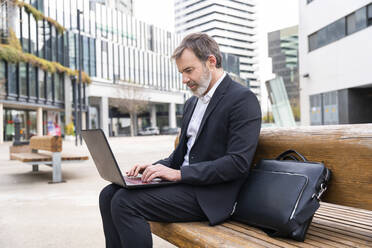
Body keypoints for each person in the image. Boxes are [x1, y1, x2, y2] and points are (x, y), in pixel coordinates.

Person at [99, 33, 262, 248]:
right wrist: (155, 167)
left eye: (188, 71)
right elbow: (181, 157)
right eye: (181, 73)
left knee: (125, 203)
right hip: (185, 185)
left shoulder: (242, 99)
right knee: (109, 194)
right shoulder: (192, 104)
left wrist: (179, 174)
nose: (184, 80)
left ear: (211, 62)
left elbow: (238, 164)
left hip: (211, 195)